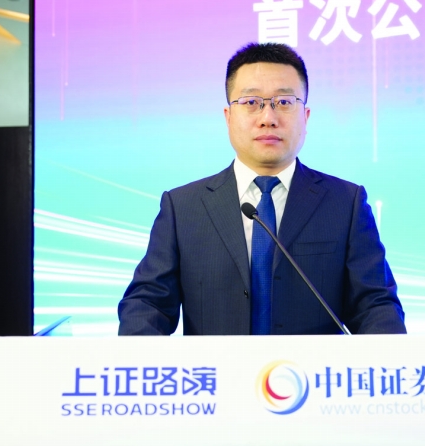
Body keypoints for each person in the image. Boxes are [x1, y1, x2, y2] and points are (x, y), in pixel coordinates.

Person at [118, 43, 406, 335]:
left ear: (305, 117)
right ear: (228, 117)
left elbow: (375, 306)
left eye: (284, 102)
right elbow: (148, 304)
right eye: (251, 102)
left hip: (309, 366)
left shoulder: (345, 203)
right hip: (218, 365)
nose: (268, 118)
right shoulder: (183, 207)